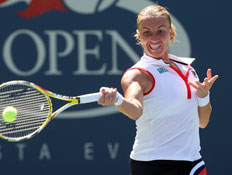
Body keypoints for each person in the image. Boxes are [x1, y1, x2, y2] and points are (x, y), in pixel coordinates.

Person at [98, 5, 218, 175]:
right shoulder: (138, 74)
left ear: (171, 33)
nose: (154, 38)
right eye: (147, 32)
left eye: (160, 31)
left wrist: (203, 97)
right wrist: (118, 99)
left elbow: (203, 122)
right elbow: (135, 111)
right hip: (152, 166)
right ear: (139, 37)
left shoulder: (187, 69)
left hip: (192, 161)